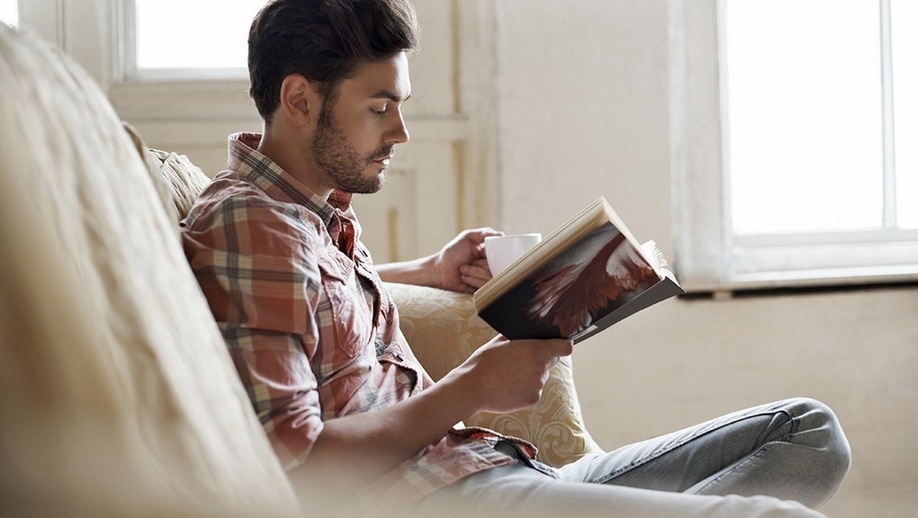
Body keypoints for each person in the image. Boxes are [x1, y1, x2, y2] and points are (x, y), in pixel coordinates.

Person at [180, 1, 851, 516]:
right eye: (379, 108)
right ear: (300, 99)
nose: (400, 132)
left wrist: (424, 272)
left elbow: (303, 300)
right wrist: (473, 386)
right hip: (439, 499)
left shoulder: (303, 216)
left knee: (807, 431)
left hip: (487, 468)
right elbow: (301, 468)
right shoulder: (250, 225)